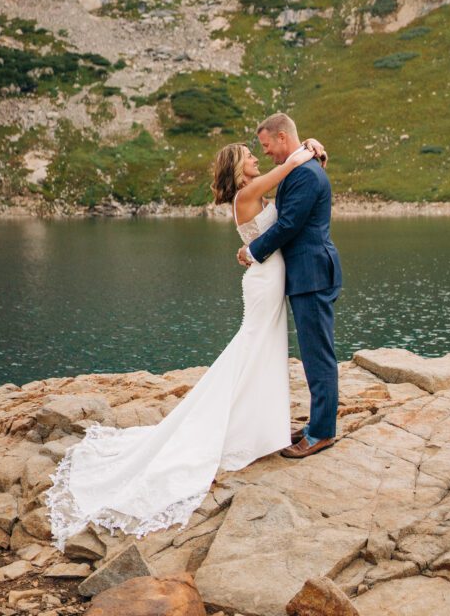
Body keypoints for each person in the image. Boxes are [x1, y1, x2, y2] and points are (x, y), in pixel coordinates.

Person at [44, 134, 325, 552]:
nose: (254, 158)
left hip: (269, 277)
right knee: (252, 350)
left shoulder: (252, 194)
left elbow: (286, 199)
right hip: (264, 283)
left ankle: (259, 427)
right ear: (237, 168)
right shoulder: (248, 192)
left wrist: (311, 148)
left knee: (261, 352)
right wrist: (310, 149)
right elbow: (287, 169)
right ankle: (240, 428)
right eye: (248, 156)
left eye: (255, 154)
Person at [237, 112, 343, 458]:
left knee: (318, 355)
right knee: (314, 352)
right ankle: (316, 425)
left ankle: (323, 432)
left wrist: (252, 251)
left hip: (312, 274)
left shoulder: (306, 175)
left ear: (282, 138)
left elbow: (289, 225)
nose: (265, 153)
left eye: (267, 146)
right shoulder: (302, 168)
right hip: (305, 274)